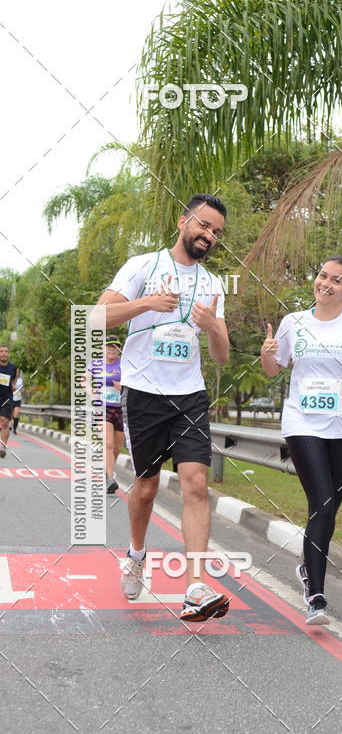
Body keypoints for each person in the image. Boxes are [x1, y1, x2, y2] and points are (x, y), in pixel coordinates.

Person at [95, 194, 231, 621]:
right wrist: (146, 304)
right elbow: (95, 318)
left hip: (189, 394)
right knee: (148, 487)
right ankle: (136, 554)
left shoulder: (213, 284)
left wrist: (212, 328)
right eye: (204, 226)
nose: (208, 235)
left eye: (216, 232)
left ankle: (195, 587)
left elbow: (223, 355)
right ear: (182, 221)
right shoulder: (142, 266)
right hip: (143, 394)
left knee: (195, 484)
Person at [261, 256, 342, 625]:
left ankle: (308, 568)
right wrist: (265, 354)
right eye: (322, 276)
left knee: (329, 508)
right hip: (302, 424)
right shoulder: (293, 323)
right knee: (320, 502)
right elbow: (275, 370)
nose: (327, 283)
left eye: (337, 280)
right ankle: (317, 595)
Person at [88, 336, 124, 493]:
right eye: (109, 346)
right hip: (103, 409)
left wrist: (122, 387)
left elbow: (135, 382)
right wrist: (92, 392)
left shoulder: (124, 364)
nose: (112, 349)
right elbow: (83, 380)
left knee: (116, 447)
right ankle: (110, 478)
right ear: (103, 348)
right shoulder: (96, 364)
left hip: (121, 408)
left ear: (119, 350)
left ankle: (108, 471)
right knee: (108, 443)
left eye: (115, 347)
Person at [0, 344, 17, 458]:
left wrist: (14, 386)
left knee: (5, 422)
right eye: (1, 351)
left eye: (6, 351)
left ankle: (2, 448)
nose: (4, 353)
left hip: (7, 399)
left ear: (8, 353)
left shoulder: (13, 368)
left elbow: (14, 382)